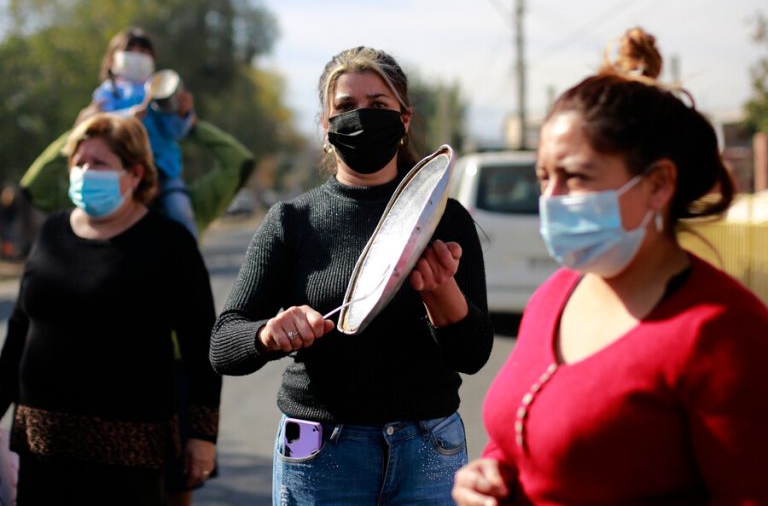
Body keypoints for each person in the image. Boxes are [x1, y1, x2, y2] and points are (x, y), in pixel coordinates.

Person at [452, 27, 768, 506]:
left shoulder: (723, 331)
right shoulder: (554, 295)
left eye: (575, 176)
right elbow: (520, 439)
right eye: (543, 177)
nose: (551, 199)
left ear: (658, 184)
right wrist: (492, 472)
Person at [210, 46, 494, 505]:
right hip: (318, 450)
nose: (362, 117)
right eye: (345, 107)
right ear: (324, 126)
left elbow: (474, 353)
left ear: (404, 120)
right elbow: (224, 344)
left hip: (430, 446)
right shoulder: (291, 221)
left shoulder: (444, 218)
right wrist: (267, 332)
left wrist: (442, 295)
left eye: (379, 105)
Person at [0, 113, 221, 505]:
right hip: (42, 447)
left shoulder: (169, 243)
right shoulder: (51, 232)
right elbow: (20, 330)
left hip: (128, 455)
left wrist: (202, 436)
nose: (85, 172)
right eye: (79, 163)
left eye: (99, 163)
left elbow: (200, 344)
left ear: (135, 174)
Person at [79, 27, 199, 238]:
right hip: (123, 170)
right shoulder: (107, 93)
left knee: (180, 209)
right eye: (130, 50)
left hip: (164, 171)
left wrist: (184, 114)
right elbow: (96, 125)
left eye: (144, 52)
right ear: (112, 59)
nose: (137, 56)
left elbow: (174, 132)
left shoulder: (160, 90)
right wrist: (127, 117)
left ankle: (190, 255)